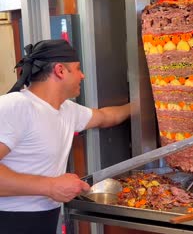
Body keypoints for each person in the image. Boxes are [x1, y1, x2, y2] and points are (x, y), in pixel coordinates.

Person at [0, 39, 131, 233]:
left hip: (44, 218)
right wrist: (51, 186)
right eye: (78, 69)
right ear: (60, 70)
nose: (82, 75)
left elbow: (106, 117)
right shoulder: (14, 107)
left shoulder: (67, 109)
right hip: (9, 220)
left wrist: (145, 104)